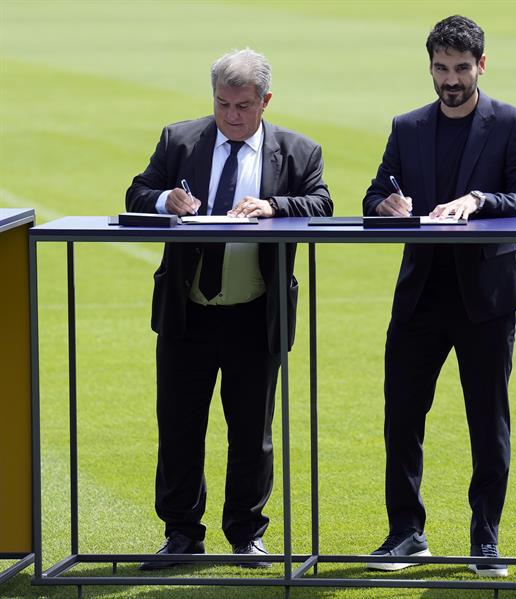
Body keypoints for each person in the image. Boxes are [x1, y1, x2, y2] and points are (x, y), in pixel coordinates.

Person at [125, 48, 332, 569]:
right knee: (178, 425)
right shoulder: (180, 139)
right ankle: (180, 535)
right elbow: (137, 191)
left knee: (251, 432)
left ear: (265, 101)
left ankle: (246, 534)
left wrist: (273, 206)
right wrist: (164, 199)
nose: (231, 116)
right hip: (186, 312)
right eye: (222, 105)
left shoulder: (298, 151)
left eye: (243, 106)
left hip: (254, 313)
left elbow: (322, 203)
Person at [362, 15, 516, 577]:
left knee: (487, 421)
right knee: (402, 417)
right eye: (441, 69)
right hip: (419, 297)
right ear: (431, 67)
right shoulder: (408, 126)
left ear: (481, 66)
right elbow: (376, 192)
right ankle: (405, 534)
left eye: (462, 68)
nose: (451, 80)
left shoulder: (513, 123)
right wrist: (384, 206)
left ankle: (484, 539)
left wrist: (477, 200)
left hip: (485, 300)